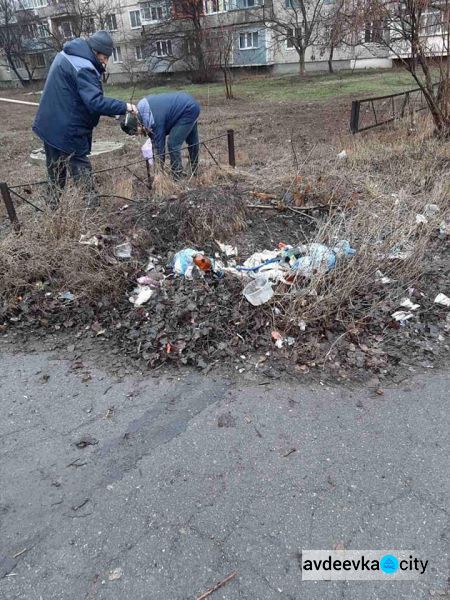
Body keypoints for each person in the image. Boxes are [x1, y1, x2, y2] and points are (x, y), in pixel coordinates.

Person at [32, 30, 137, 206]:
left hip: (50, 124)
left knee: (56, 174)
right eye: (105, 57)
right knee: (81, 172)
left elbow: (80, 98)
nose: (106, 62)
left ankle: (51, 212)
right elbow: (94, 102)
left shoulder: (68, 54)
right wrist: (125, 106)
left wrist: (115, 112)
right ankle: (93, 211)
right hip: (68, 129)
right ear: (96, 52)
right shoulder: (84, 67)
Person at [120, 92, 200, 179]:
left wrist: (158, 173)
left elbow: (159, 148)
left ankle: (177, 175)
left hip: (187, 109)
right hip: (187, 103)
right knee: (193, 141)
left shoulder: (153, 120)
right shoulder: (144, 112)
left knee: (173, 143)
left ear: (138, 124)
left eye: (136, 132)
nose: (139, 135)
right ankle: (194, 171)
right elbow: (155, 141)